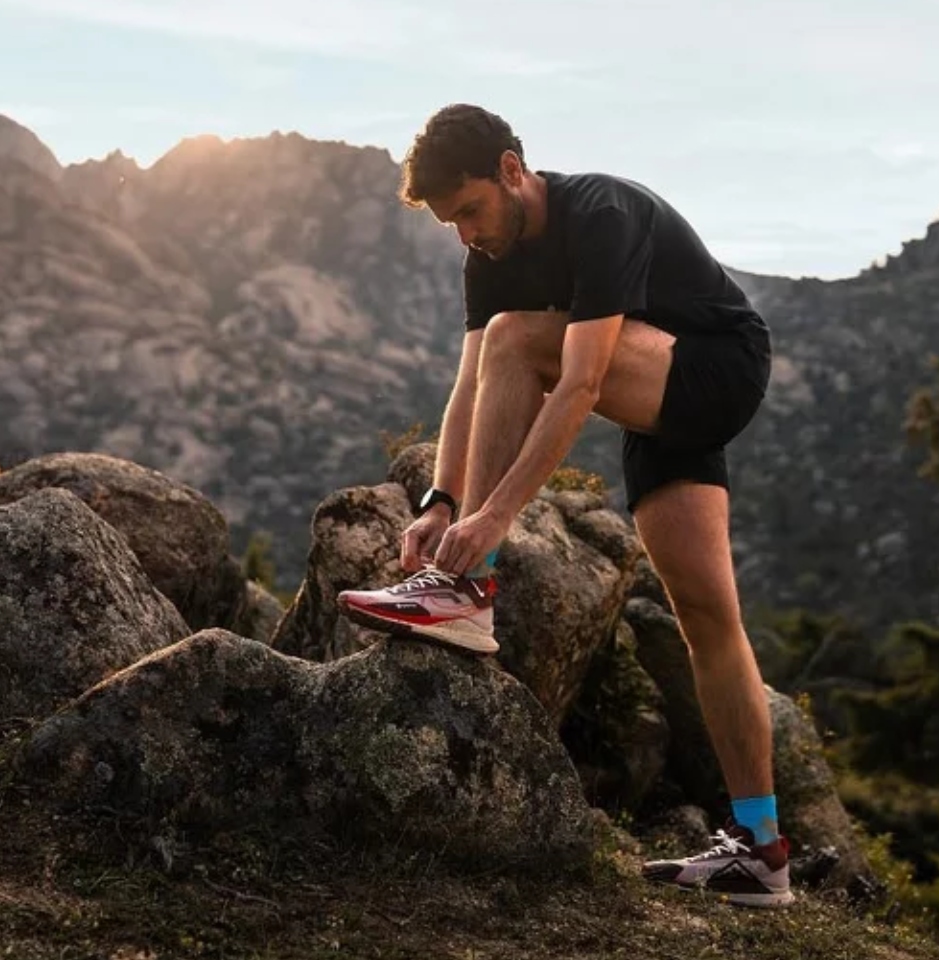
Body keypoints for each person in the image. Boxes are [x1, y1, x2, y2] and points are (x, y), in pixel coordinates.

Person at [335, 103, 794, 908]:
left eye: (471, 210)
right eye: (451, 223)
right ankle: (762, 854)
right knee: (707, 616)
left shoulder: (601, 214)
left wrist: (490, 524)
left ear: (513, 169)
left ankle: (469, 589)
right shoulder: (487, 257)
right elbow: (468, 391)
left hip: (717, 367)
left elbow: (579, 384)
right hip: (656, 399)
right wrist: (443, 501)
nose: (467, 235)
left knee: (519, 336)